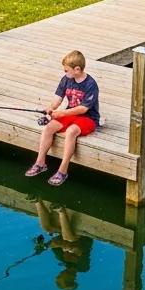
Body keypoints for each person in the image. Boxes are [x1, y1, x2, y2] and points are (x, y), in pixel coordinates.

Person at [25, 49, 100, 187]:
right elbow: (58, 99)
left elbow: (83, 109)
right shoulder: (66, 79)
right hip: (70, 114)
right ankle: (40, 163)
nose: (65, 73)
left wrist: (62, 114)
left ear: (77, 69)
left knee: (71, 131)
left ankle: (62, 170)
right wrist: (51, 108)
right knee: (49, 127)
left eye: (66, 70)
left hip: (88, 118)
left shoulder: (91, 84)